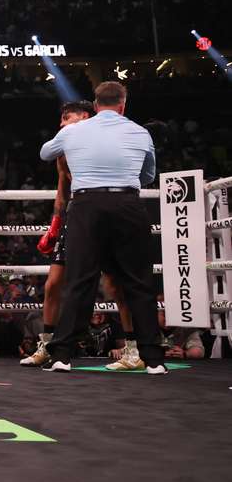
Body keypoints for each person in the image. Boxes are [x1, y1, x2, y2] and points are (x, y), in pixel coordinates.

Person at [39, 81, 165, 374]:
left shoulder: (72, 130)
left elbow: (46, 153)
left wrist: (71, 138)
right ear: (123, 105)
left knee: (80, 280)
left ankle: (62, 356)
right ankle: (154, 360)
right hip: (128, 205)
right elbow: (147, 176)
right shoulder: (140, 132)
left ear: (95, 106)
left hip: (87, 205)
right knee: (138, 281)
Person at [23, 101, 142, 370]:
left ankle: (132, 349)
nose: (61, 123)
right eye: (61, 119)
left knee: (115, 285)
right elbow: (62, 186)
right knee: (53, 284)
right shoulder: (63, 150)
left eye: (67, 117)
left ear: (85, 116)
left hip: (104, 214)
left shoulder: (103, 143)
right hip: (74, 218)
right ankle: (47, 345)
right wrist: (55, 224)